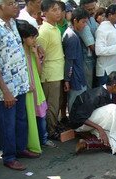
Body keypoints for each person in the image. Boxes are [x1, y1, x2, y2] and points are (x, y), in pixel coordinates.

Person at [0, 0, 40, 171]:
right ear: (0, 6)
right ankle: (9, 157)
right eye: (11, 3)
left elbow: (22, 48)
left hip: (20, 84)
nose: (16, 6)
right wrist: (5, 91)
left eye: (16, 2)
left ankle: (20, 149)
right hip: (5, 89)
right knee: (8, 124)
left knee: (21, 120)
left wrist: (26, 80)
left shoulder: (13, 23)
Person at [17, 20, 56, 151]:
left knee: (41, 115)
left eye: (35, 38)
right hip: (27, 89)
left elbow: (39, 72)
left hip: (36, 87)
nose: (34, 40)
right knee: (29, 117)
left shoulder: (31, 50)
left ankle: (43, 139)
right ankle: (33, 142)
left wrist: (35, 53)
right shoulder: (19, 53)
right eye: (32, 37)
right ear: (23, 38)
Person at [70, 71, 116, 154]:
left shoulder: (111, 94)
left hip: (90, 119)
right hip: (79, 124)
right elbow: (79, 117)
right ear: (114, 86)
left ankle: (86, 143)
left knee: (111, 134)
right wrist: (100, 128)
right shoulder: (95, 95)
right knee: (113, 108)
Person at [36, 0, 64, 140]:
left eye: (59, 9)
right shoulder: (44, 31)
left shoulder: (56, 28)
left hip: (57, 72)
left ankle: (52, 127)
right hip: (49, 74)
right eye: (54, 10)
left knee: (56, 104)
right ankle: (49, 132)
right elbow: (40, 57)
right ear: (44, 13)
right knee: (51, 105)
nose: (58, 12)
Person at [63, 8, 89, 111]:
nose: (85, 25)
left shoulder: (73, 34)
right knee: (75, 104)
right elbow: (69, 61)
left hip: (78, 75)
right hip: (75, 77)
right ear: (75, 20)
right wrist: (67, 80)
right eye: (83, 22)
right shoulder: (71, 37)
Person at [95, 4, 116, 86]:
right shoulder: (102, 29)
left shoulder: (113, 26)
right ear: (109, 15)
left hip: (113, 68)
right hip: (105, 70)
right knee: (104, 96)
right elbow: (99, 51)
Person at [78, 0, 98, 88]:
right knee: (88, 86)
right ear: (82, 8)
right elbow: (92, 46)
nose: (93, 11)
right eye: (89, 9)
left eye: (94, 8)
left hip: (94, 57)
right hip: (86, 59)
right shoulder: (82, 23)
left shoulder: (92, 18)